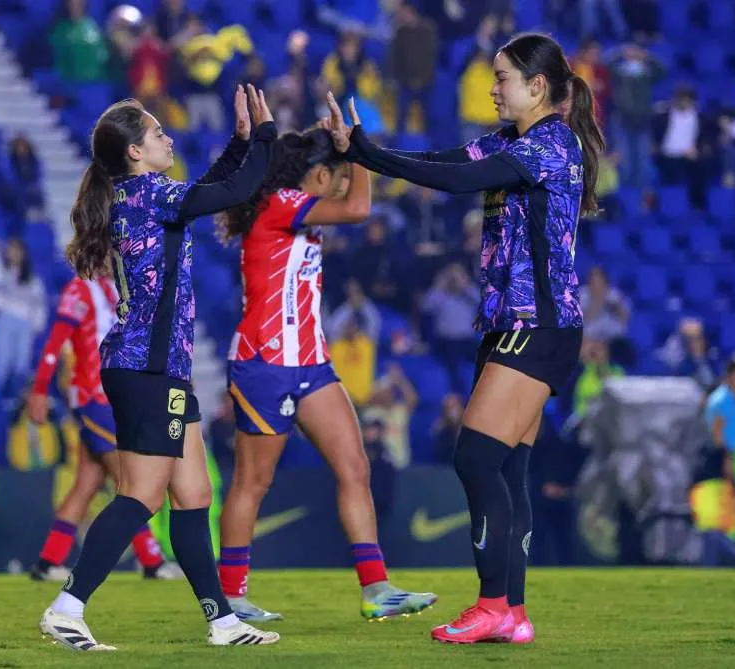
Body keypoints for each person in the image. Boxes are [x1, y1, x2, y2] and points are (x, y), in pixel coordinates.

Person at [323, 32, 603, 644]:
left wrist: (369, 155)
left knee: (475, 456)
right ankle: (514, 614)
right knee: (508, 467)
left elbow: (456, 185)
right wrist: (364, 150)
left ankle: (492, 604)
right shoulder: (511, 141)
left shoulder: (551, 144)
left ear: (537, 87)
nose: (492, 88)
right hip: (512, 323)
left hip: (538, 325)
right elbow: (447, 162)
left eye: (502, 79)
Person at [38, 85, 280, 651]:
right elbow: (234, 192)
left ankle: (221, 622)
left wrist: (240, 142)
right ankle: (67, 608)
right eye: (158, 134)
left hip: (159, 367)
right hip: (146, 368)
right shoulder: (148, 194)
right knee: (141, 495)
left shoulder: (146, 193)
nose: (169, 139)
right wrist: (265, 138)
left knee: (194, 495)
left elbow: (204, 191)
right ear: (135, 153)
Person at [213, 127, 437, 623]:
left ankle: (376, 589)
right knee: (253, 481)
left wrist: (352, 154)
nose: (342, 187)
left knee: (356, 467)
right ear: (316, 175)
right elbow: (359, 209)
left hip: (312, 363)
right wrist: (358, 152)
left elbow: (351, 207)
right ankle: (229, 597)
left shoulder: (298, 212)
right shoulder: (279, 202)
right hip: (265, 363)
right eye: (336, 178)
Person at [27, 273, 182, 582]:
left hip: (113, 397)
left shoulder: (114, 288)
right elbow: (55, 342)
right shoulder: (78, 289)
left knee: (86, 484)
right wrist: (40, 390)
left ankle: (48, 562)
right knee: (129, 481)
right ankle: (151, 561)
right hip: (92, 397)